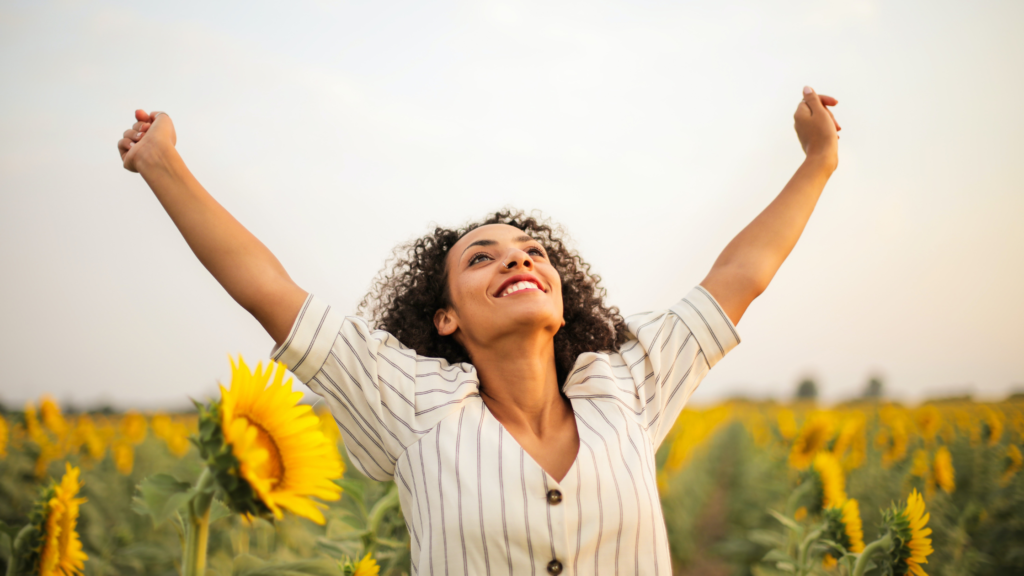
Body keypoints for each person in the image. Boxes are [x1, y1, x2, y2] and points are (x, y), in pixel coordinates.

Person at [116, 86, 841, 575]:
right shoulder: (408, 405)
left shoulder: (624, 382)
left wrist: (818, 162)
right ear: (446, 317)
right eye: (482, 257)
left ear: (561, 299)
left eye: (532, 254)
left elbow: (740, 275)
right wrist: (163, 164)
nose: (518, 259)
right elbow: (270, 292)